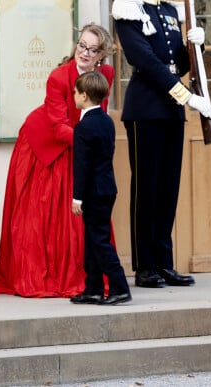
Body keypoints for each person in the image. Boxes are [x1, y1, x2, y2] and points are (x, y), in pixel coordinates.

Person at [0, 23, 116, 298]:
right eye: (81, 45)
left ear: (101, 54)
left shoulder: (106, 74)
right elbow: (58, 126)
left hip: (78, 143)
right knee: (46, 215)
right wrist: (90, 146)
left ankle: (91, 275)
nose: (84, 52)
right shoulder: (59, 77)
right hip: (45, 144)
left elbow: (98, 115)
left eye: (92, 49)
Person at [112, 0, 211, 288]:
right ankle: (145, 266)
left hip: (171, 111)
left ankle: (163, 263)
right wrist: (186, 97)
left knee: (168, 190)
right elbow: (144, 61)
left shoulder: (170, 11)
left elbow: (177, 63)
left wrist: (196, 46)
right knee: (147, 189)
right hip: (145, 108)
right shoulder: (129, 9)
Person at [70, 72, 131, 306]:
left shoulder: (84, 127)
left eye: (76, 93)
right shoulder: (106, 121)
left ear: (84, 96)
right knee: (93, 239)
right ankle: (93, 287)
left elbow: (82, 165)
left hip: (93, 192)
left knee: (100, 241)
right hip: (107, 187)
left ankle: (120, 287)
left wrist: (77, 198)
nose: (74, 96)